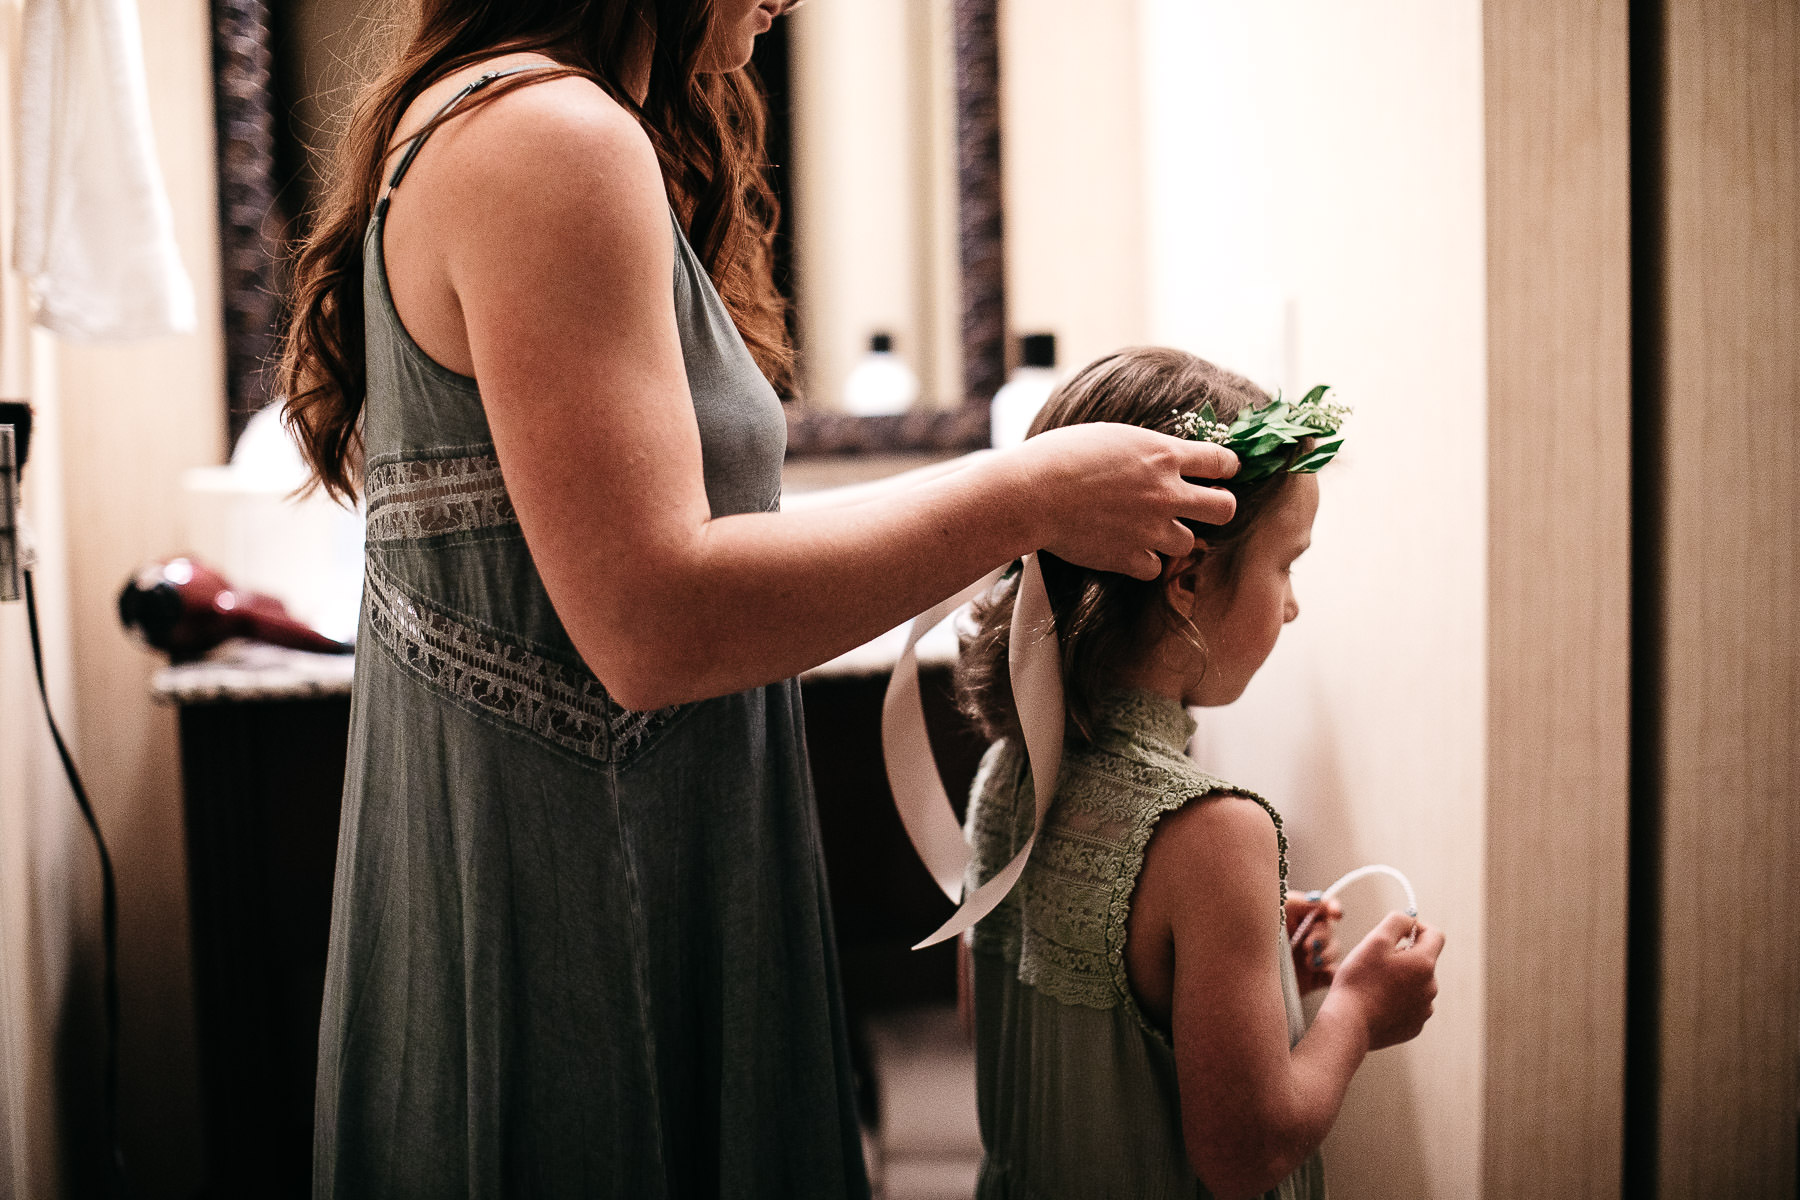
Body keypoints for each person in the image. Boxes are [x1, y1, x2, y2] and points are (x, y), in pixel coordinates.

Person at [276, 3, 1240, 1195]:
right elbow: (654, 623)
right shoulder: (545, 137)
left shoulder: (516, 121)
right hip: (578, 917)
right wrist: (1028, 493)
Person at [956, 348, 1445, 1200]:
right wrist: (1358, 1012)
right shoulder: (1216, 832)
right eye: (1286, 564)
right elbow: (1246, 1152)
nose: (1292, 604)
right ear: (1185, 577)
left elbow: (992, 1018)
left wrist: (1238, 982)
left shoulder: (1010, 769)